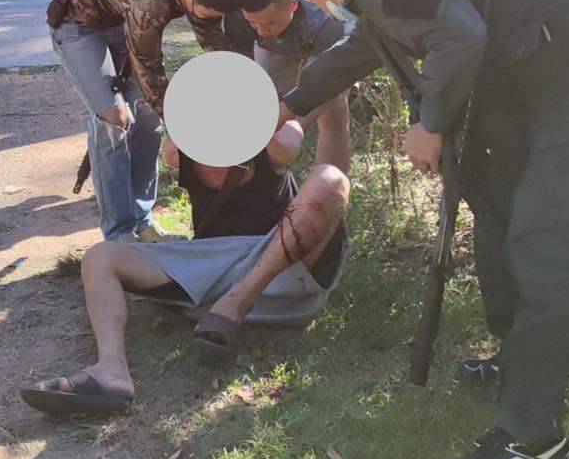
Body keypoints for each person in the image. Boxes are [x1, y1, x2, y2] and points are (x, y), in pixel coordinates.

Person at [270, 0, 569, 459]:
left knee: (546, 247)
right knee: (502, 221)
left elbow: (462, 34)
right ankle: (521, 368)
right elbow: (360, 50)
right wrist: (291, 104)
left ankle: (536, 447)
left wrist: (431, 124)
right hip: (561, 84)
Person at [20, 125, 350, 416]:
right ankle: (110, 371)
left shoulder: (275, 144)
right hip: (210, 272)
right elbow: (173, 150)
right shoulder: (187, 148)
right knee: (100, 257)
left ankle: (238, 302)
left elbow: (300, 144)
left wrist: (330, 106)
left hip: (284, 266)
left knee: (330, 180)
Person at [50, 0, 242, 241]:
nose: (209, 19)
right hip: (76, 24)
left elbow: (213, 40)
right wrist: (185, 131)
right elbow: (149, 70)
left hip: (120, 17)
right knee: (114, 119)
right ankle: (119, 233)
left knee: (147, 116)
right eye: (205, 13)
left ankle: (142, 220)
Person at [225, 0, 351, 173]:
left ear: (293, 5)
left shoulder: (326, 25)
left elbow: (327, 85)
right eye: (253, 23)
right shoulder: (238, 21)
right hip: (275, 49)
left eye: (269, 22)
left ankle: (331, 184)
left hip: (322, 46)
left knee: (333, 111)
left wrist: (297, 126)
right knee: (267, 102)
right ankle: (259, 174)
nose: (261, 31)